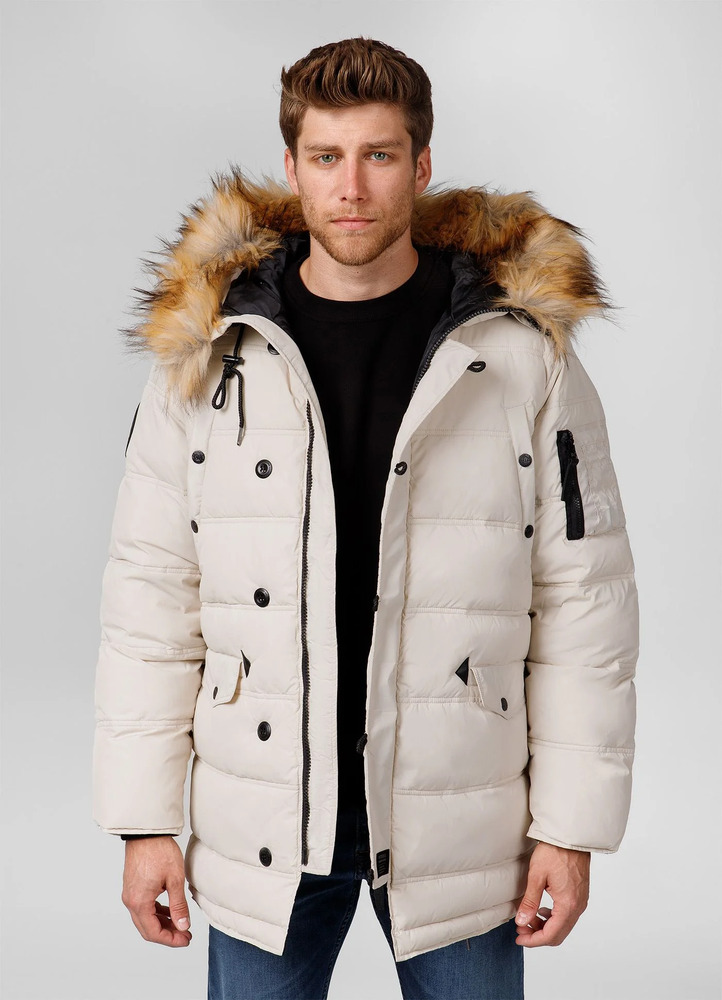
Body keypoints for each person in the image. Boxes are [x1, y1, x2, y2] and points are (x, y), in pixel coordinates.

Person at [92, 36, 639, 1000]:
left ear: (420, 168)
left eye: (379, 155)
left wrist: (569, 829)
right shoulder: (208, 355)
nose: (352, 187)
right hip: (260, 817)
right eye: (327, 157)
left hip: (459, 820)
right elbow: (150, 598)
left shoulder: (524, 360)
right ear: (293, 167)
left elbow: (585, 607)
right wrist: (144, 821)